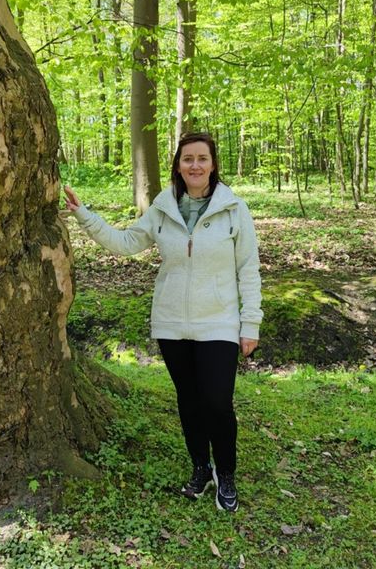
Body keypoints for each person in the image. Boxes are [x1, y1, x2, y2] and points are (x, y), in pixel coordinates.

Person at [63, 132, 262, 512]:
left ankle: (227, 473)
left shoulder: (235, 209)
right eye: (188, 159)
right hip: (172, 324)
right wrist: (84, 216)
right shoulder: (163, 208)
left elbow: (248, 270)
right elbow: (125, 243)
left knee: (218, 403)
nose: (195, 165)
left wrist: (250, 323)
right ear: (178, 165)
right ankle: (201, 468)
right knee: (188, 401)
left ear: (213, 164)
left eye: (202, 158)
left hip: (219, 323)